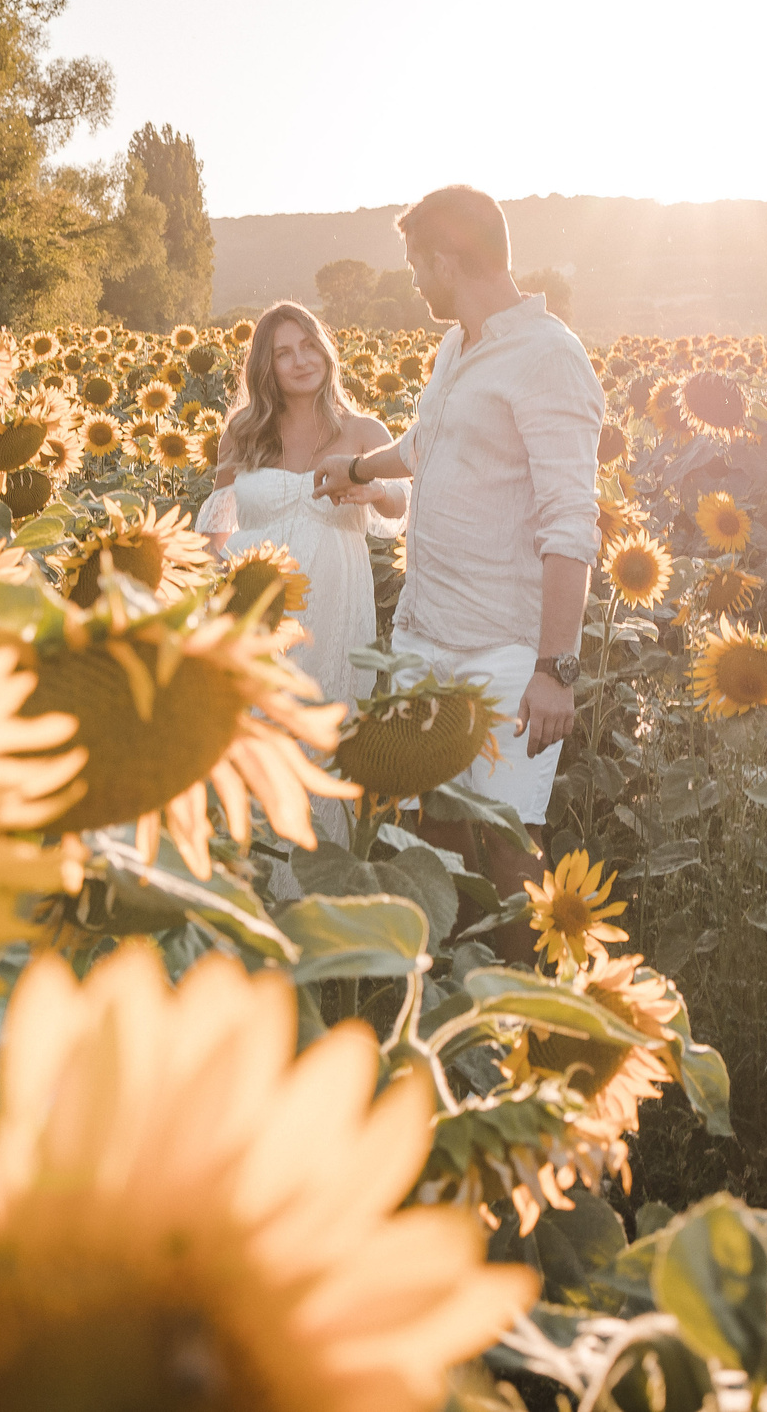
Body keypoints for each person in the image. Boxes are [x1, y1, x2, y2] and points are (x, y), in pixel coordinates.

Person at [312, 185, 603, 962]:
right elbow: (426, 438)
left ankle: (530, 1026)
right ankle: (447, 1001)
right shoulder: (459, 347)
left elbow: (572, 523)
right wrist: (357, 467)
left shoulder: (550, 358)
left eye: (416, 263)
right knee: (428, 837)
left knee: (510, 848)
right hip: (424, 631)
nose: (412, 281)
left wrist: (556, 669)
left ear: (447, 258)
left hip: (505, 650)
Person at [197, 301, 407, 721]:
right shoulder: (242, 434)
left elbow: (402, 505)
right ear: (266, 367)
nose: (301, 361)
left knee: (324, 739)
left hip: (334, 614)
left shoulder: (364, 430)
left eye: (309, 346)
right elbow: (213, 536)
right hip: (256, 610)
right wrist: (211, 610)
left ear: (326, 350)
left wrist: (375, 489)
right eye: (284, 353)